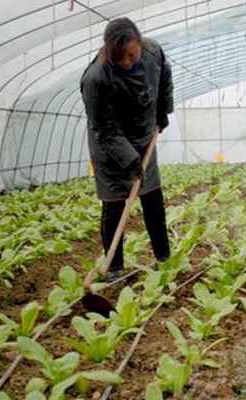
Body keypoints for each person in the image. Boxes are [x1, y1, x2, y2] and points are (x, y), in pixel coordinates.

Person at [80, 17, 173, 282]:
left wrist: (163, 110)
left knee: (153, 199)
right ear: (109, 51)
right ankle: (115, 270)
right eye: (119, 57)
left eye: (131, 55)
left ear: (140, 44)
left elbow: (165, 76)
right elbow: (105, 129)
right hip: (109, 147)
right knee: (114, 206)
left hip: (144, 138)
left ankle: (164, 258)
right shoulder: (96, 79)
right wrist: (130, 160)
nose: (126, 62)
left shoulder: (153, 52)